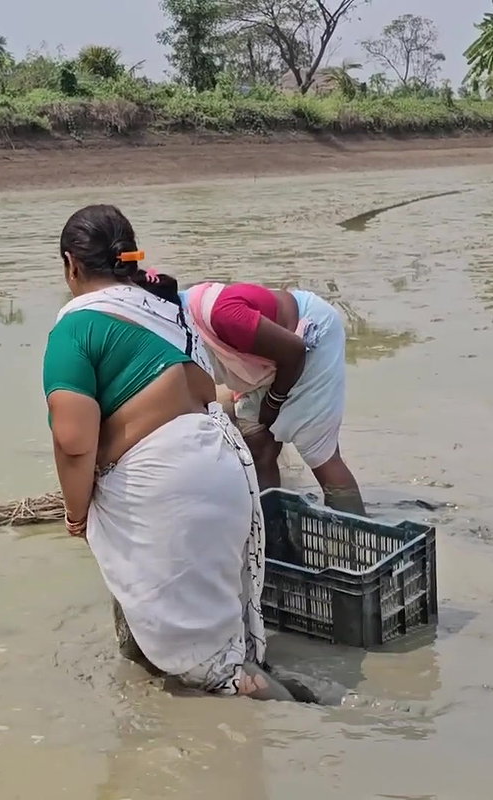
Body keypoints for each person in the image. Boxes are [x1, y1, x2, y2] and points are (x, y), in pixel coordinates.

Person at [42, 204, 292, 701]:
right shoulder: (162, 310)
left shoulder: (75, 329)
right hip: (220, 467)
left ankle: (299, 721)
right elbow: (204, 388)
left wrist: (75, 514)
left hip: (164, 486)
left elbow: (73, 443)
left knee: (215, 673)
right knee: (221, 632)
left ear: (71, 264)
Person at [180, 281, 366, 515]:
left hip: (308, 338)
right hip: (262, 361)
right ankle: (272, 534)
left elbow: (294, 350)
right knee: (257, 445)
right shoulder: (177, 326)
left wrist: (273, 401)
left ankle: (358, 539)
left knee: (320, 454)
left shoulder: (222, 315)